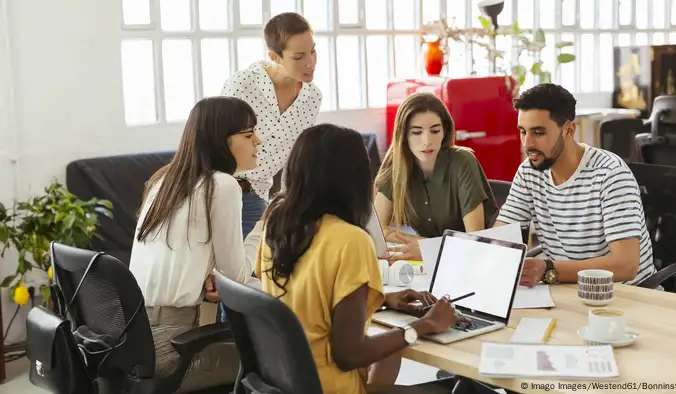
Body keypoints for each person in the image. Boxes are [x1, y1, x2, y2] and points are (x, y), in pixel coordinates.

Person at [256, 124, 463, 394]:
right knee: (461, 388)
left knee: (392, 347)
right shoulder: (350, 240)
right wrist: (425, 324)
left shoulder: (277, 222)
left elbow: (300, 297)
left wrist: (381, 298)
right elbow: (349, 355)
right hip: (331, 387)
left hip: (287, 382)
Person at [129, 96, 261, 392]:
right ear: (220, 141)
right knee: (280, 358)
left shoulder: (164, 181)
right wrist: (262, 230)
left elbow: (176, 260)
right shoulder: (222, 185)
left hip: (135, 338)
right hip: (174, 344)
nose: (259, 141)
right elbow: (237, 277)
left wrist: (203, 280)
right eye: (248, 134)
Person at [494, 83, 655, 287]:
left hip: (626, 296)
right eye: (523, 131)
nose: (527, 144)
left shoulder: (610, 174)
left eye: (538, 132)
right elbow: (501, 235)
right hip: (569, 290)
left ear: (569, 130)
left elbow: (626, 266)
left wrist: (548, 269)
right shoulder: (529, 172)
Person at [219, 11, 322, 321]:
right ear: (275, 56)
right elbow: (213, 141)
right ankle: (229, 355)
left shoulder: (311, 99)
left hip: (259, 198)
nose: (310, 63)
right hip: (223, 191)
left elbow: (297, 160)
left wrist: (289, 204)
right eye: (299, 56)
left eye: (313, 51)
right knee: (232, 283)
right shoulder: (243, 84)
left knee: (259, 282)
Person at [374, 92, 497, 262]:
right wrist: (428, 247)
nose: (427, 141)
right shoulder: (395, 165)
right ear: (404, 136)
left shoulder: (463, 162)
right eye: (417, 132)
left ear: (445, 132)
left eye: (435, 131)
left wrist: (430, 249)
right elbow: (378, 230)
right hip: (434, 265)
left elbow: (474, 241)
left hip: (478, 261)